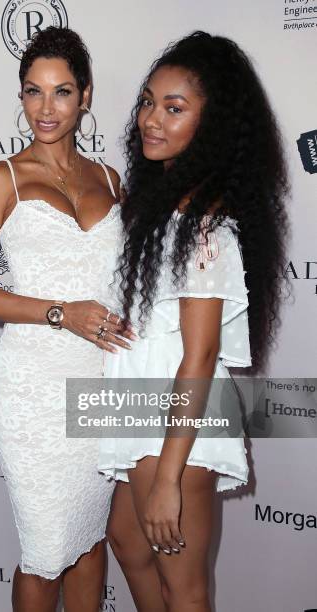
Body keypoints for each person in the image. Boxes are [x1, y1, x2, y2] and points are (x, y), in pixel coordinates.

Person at [98, 31, 290, 612]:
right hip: (139, 404)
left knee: (184, 589)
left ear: (212, 128)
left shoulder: (208, 228)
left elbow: (201, 356)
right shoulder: (163, 208)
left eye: (174, 109)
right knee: (128, 545)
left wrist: (168, 480)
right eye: (148, 102)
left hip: (178, 425)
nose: (151, 120)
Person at [0, 26, 135, 612]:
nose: (46, 108)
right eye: (33, 92)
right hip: (33, 391)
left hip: (100, 383)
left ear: (85, 96)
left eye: (61, 92)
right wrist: (61, 313)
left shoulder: (111, 180)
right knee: (46, 549)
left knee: (88, 540)